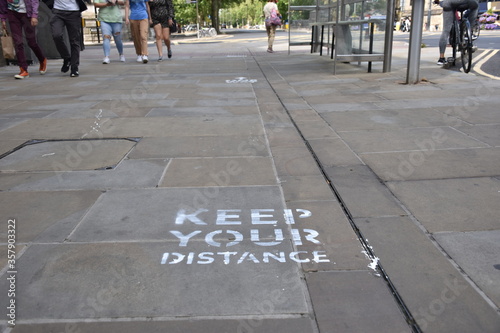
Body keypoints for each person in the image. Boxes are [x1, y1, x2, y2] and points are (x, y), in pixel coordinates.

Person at [0, 0, 47, 79]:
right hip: (12, 13)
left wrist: (34, 15)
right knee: (18, 42)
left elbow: (34, 1)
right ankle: (23, 69)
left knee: (32, 42)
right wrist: (3, 18)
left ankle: (42, 59)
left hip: (27, 14)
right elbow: (2, 2)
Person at [50, 0, 87, 77]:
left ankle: (74, 67)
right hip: (57, 12)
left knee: (74, 41)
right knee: (56, 35)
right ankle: (66, 58)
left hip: (74, 12)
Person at [435, 0, 478, 65]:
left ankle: (441, 58)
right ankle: (469, 32)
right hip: (464, 2)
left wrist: (438, 2)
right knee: (475, 6)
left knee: (445, 31)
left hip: (448, 3)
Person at [94, 0, 126, 64]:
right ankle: (106, 56)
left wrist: (115, 1)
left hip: (116, 19)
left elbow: (123, 2)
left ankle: (121, 54)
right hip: (104, 19)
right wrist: (107, 4)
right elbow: (96, 4)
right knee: (106, 37)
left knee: (117, 39)